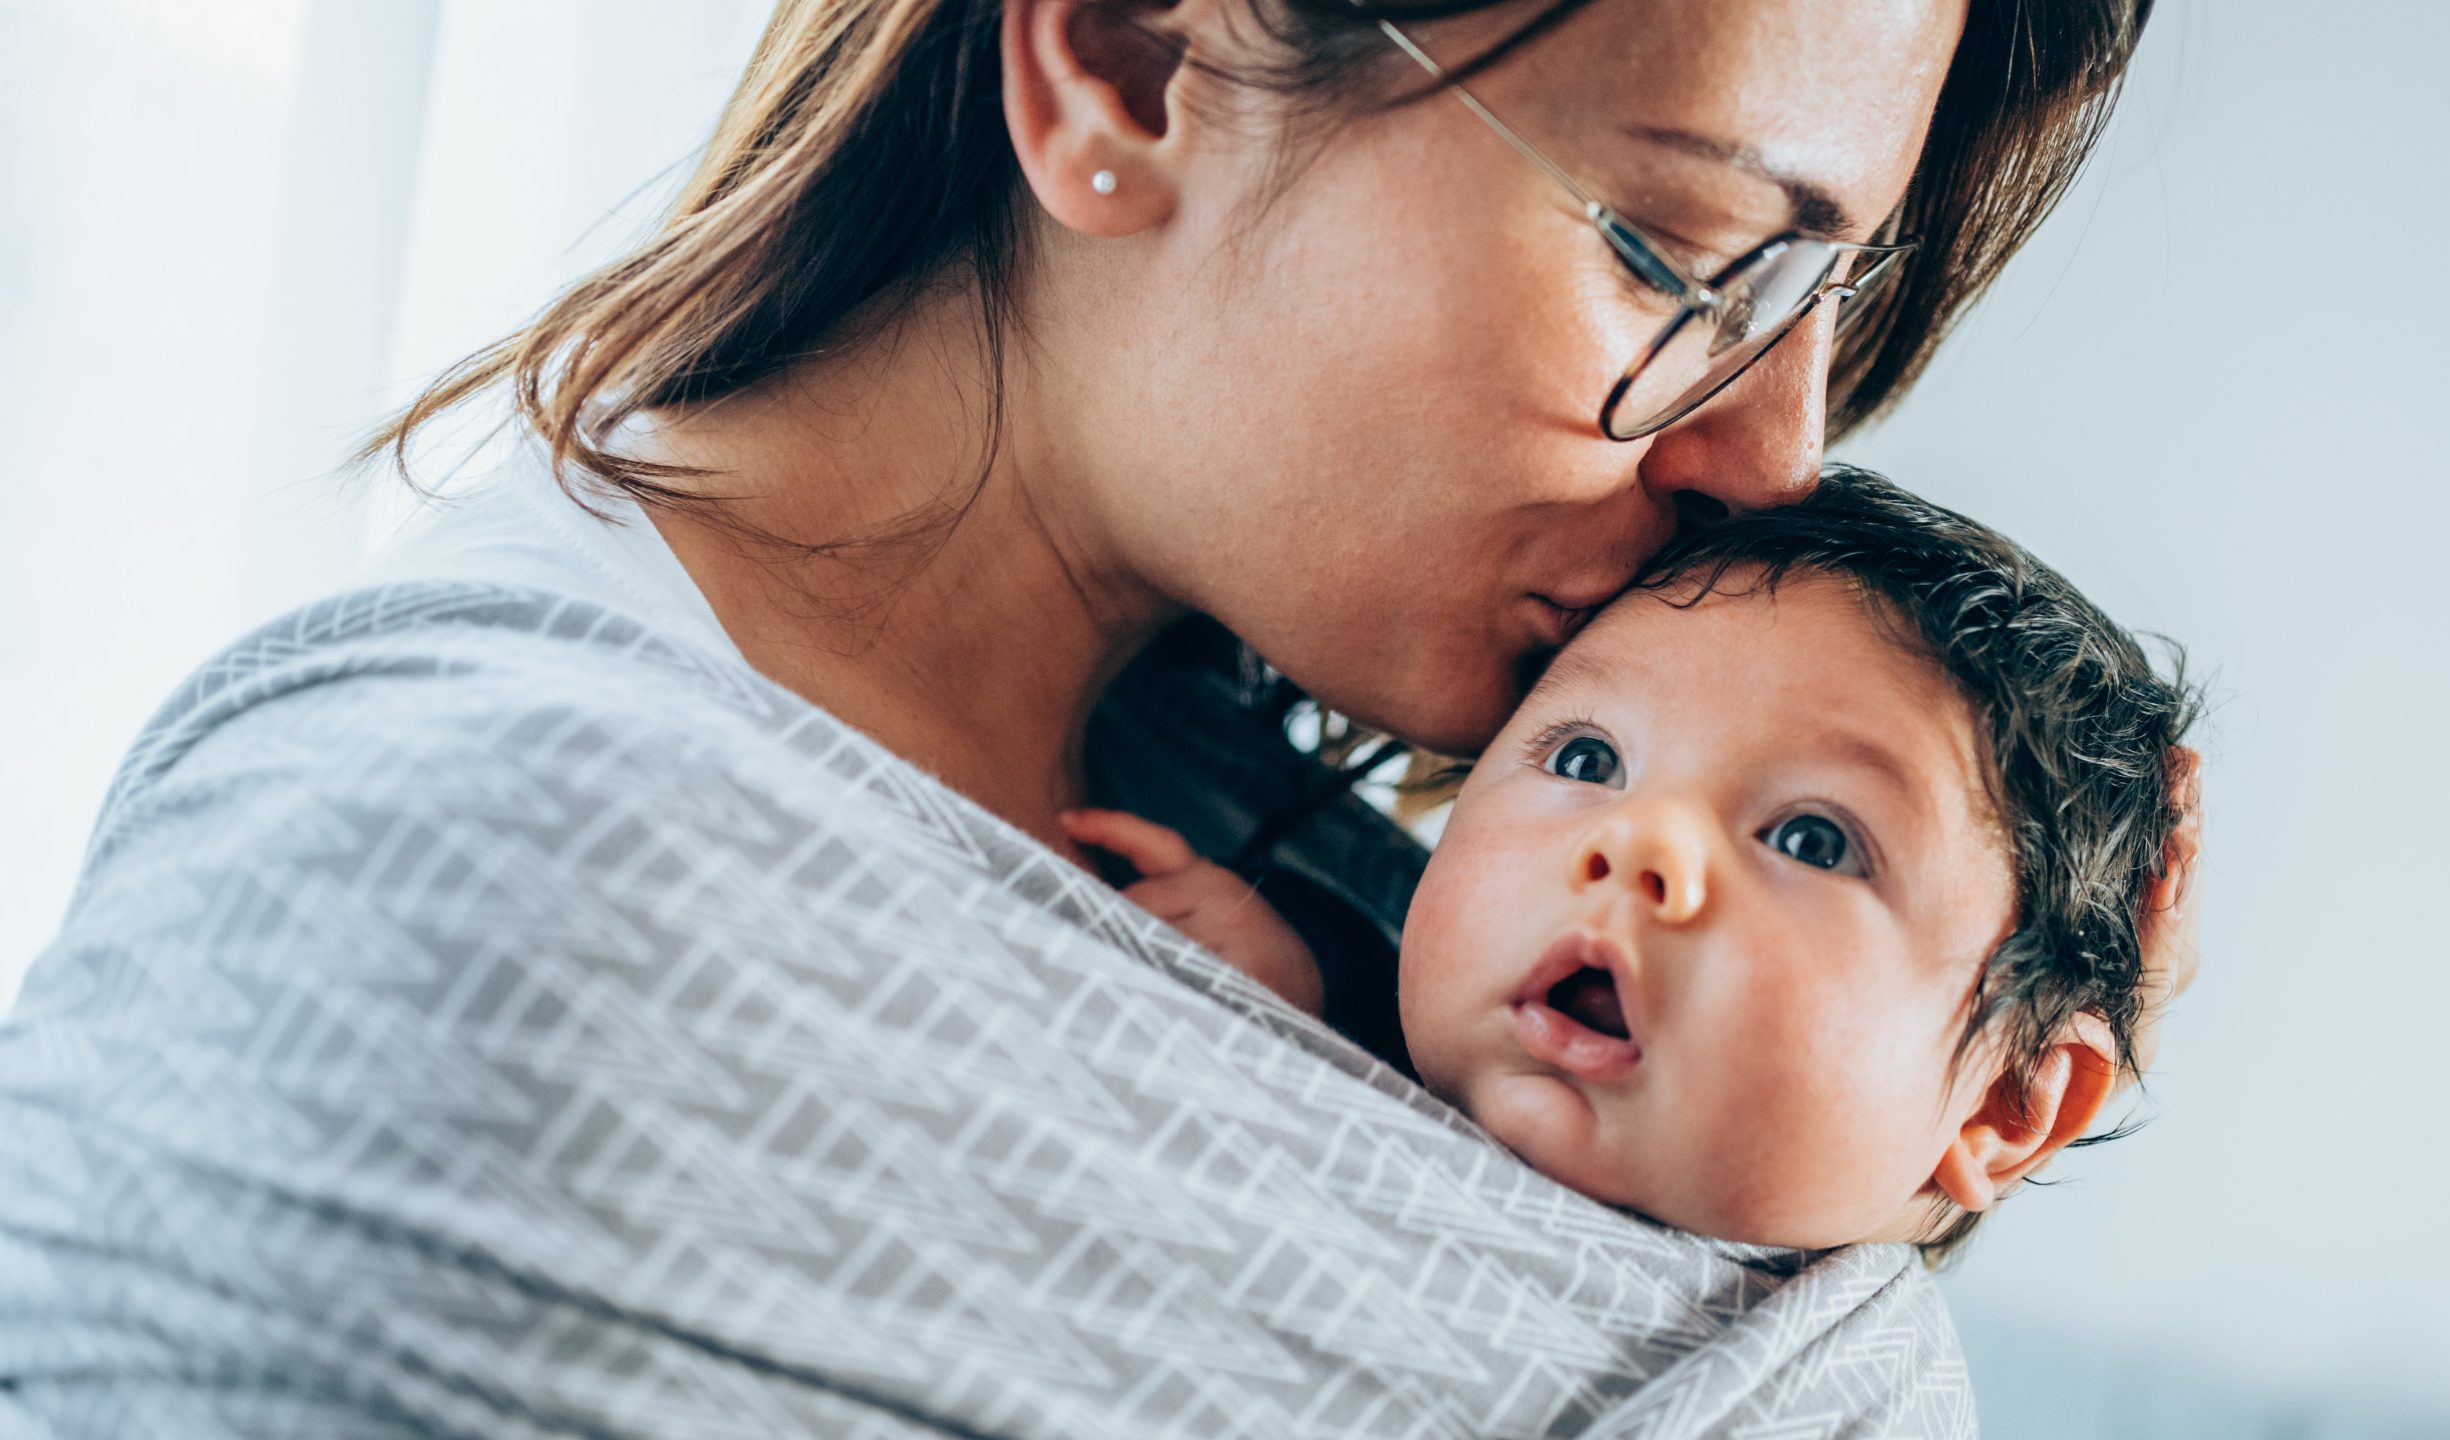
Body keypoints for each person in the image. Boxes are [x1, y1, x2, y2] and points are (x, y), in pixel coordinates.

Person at [0, 1, 2200, 1435]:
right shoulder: (464, 868)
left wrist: (1973, 1039)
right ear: (1136, 66)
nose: (1770, 459)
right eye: (1670, 254)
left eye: (1811, 304)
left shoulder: (1354, 910)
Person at [1065, 467, 2199, 1266]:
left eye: (1812, 839)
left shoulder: (1816, 1357)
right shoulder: (1316, 998)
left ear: (2005, 1106)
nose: (1637, 841)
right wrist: (1306, 999)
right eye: (1585, 755)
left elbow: (1873, 1194)